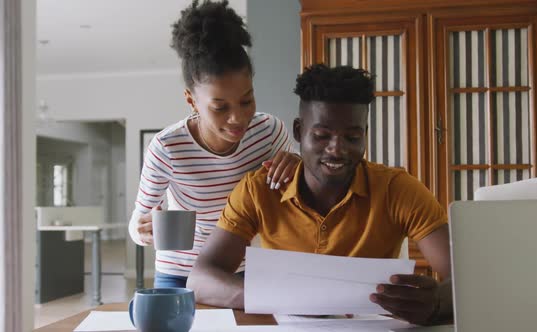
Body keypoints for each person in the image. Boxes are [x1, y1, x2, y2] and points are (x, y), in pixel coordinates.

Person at [187, 64, 453, 326]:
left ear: (365, 136)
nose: (336, 149)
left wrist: (436, 304)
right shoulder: (258, 190)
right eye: (322, 135)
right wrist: (281, 297)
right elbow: (200, 279)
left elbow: (466, 279)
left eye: (352, 137)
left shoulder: (399, 189)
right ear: (299, 131)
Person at [128, 0, 300, 288]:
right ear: (191, 100)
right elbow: (138, 221)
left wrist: (299, 167)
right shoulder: (167, 148)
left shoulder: (269, 132)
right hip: (179, 272)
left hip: (243, 267)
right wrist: (142, 231)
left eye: (246, 100)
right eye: (220, 107)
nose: (238, 118)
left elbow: (293, 196)